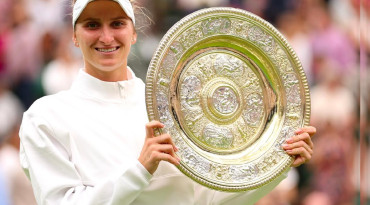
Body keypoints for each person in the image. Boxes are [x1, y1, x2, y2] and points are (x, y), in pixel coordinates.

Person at [18, 0, 316, 204]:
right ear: (74, 36)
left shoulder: (172, 107)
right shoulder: (46, 117)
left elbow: (208, 199)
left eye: (117, 23)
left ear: (134, 33)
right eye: (92, 25)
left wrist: (275, 165)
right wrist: (140, 168)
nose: (106, 37)